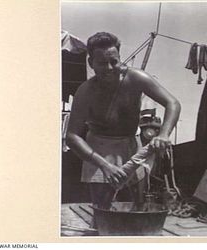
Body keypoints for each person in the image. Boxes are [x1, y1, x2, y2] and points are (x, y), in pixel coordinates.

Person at [66, 32, 180, 209]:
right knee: (102, 209)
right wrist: (104, 165)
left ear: (120, 58)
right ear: (91, 63)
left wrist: (163, 135)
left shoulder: (136, 78)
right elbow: (72, 136)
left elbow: (172, 103)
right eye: (102, 63)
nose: (110, 68)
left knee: (138, 205)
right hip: (99, 151)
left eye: (114, 61)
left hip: (131, 146)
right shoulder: (86, 91)